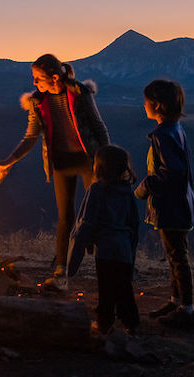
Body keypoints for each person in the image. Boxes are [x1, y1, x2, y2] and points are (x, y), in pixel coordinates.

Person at [0, 53, 111, 290]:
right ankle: (60, 273)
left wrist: (107, 161)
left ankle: (106, 265)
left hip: (88, 162)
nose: (34, 83)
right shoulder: (38, 102)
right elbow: (30, 137)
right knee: (65, 218)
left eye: (38, 78)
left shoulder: (79, 95)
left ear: (54, 78)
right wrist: (8, 161)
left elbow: (99, 128)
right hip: (62, 164)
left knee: (94, 216)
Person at [134, 78, 194, 330]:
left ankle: (187, 311)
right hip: (181, 202)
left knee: (177, 256)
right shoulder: (175, 129)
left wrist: (143, 188)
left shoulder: (162, 134)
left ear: (157, 105)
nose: (144, 105)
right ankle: (177, 302)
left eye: (146, 102)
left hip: (172, 205)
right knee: (174, 255)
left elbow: (170, 171)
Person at [67, 144, 141, 337]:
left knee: (106, 286)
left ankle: (104, 323)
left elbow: (87, 220)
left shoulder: (97, 190)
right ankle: (131, 323)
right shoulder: (127, 192)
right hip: (123, 248)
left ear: (99, 168)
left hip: (106, 249)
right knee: (124, 286)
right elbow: (134, 224)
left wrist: (77, 251)